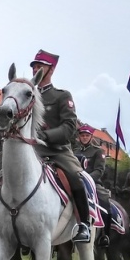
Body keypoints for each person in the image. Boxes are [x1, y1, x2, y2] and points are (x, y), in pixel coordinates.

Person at [30, 49, 91, 243]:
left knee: (76, 178)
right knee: (1, 176)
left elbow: (69, 127)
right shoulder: (26, 95)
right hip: (31, 151)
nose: (36, 70)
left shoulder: (61, 96)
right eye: (34, 66)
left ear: (52, 70)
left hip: (56, 151)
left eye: (41, 66)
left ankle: (84, 225)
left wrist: (45, 135)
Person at [74, 124, 110, 246]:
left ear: (91, 136)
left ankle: (105, 234)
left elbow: (99, 170)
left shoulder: (98, 151)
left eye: (86, 135)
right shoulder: (74, 151)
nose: (84, 137)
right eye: (82, 135)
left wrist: (86, 178)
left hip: (93, 183)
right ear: (79, 137)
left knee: (104, 201)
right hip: (74, 180)